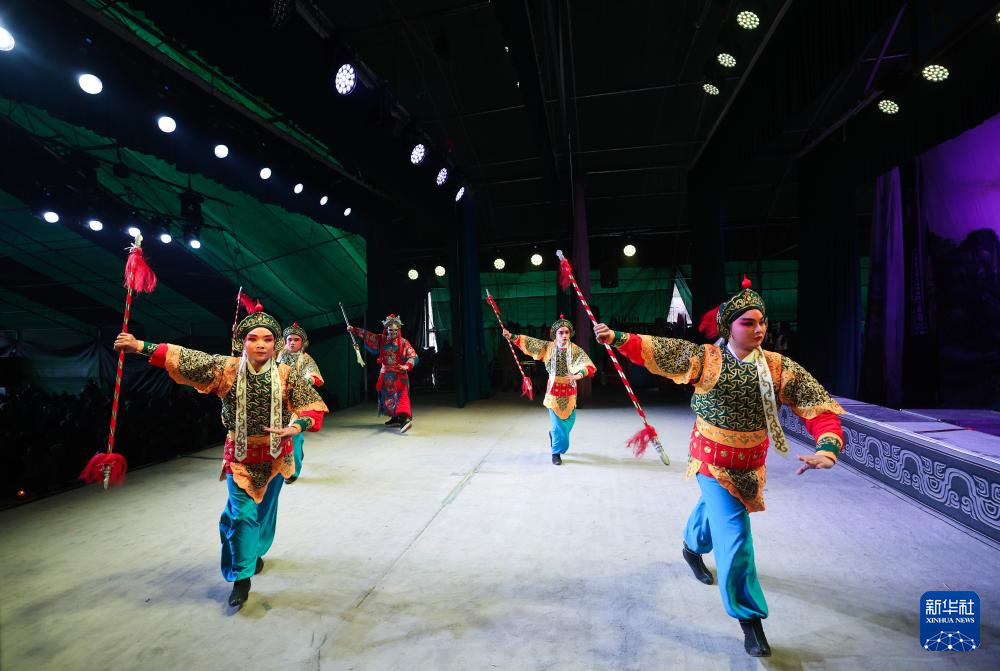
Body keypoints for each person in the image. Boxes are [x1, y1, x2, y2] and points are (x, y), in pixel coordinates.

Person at [594, 278, 844, 657]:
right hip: (711, 458)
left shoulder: (777, 367)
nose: (759, 329)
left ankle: (691, 545)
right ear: (729, 326)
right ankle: (749, 619)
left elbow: (815, 403)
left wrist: (827, 446)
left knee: (715, 511)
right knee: (736, 537)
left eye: (762, 322)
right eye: (748, 323)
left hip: (750, 464)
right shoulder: (707, 359)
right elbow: (662, 351)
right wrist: (618, 338)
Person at [113, 302, 328, 608]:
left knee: (264, 515)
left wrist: (297, 426)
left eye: (268, 339)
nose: (261, 344)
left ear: (276, 344)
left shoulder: (287, 374)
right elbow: (187, 358)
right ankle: (242, 577)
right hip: (240, 459)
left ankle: (253, 552)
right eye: (253, 338)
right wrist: (139, 346)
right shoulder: (226, 369)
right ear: (243, 342)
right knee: (241, 516)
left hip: (276, 457)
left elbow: (311, 406)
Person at [503, 314, 595, 465]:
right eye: (561, 332)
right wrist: (511, 336)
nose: (564, 335)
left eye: (567, 332)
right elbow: (529, 343)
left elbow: (587, 365)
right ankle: (555, 453)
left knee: (568, 424)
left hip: (570, 392)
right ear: (555, 334)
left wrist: (578, 375)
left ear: (570, 333)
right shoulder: (547, 347)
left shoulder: (575, 350)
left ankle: (554, 436)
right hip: (553, 391)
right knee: (559, 427)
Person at [348, 314, 418, 433]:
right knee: (388, 398)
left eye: (395, 330)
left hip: (400, 375)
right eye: (390, 330)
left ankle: (404, 420)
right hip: (386, 376)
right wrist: (354, 330)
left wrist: (407, 365)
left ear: (398, 330)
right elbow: (368, 335)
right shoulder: (381, 340)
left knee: (402, 397)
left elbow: (413, 356)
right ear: (386, 329)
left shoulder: (403, 342)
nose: (393, 332)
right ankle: (395, 418)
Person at [276, 322, 325, 483]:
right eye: (289, 339)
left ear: (302, 342)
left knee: (293, 435)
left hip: (298, 402)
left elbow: (312, 374)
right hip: (279, 402)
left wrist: (307, 380)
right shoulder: (278, 355)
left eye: (296, 340)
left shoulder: (305, 359)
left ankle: (293, 472)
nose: (292, 342)